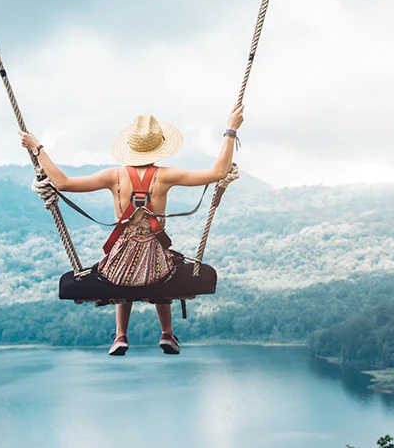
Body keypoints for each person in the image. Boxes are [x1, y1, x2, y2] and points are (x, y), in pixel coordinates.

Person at [18, 104, 245, 356]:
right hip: (156, 266)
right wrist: (231, 129)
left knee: (121, 281)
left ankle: (120, 336)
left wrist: (37, 149)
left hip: (119, 265)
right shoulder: (166, 176)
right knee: (164, 269)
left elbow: (63, 183)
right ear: (159, 146)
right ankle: (167, 333)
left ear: (130, 148)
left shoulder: (113, 176)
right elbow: (218, 172)